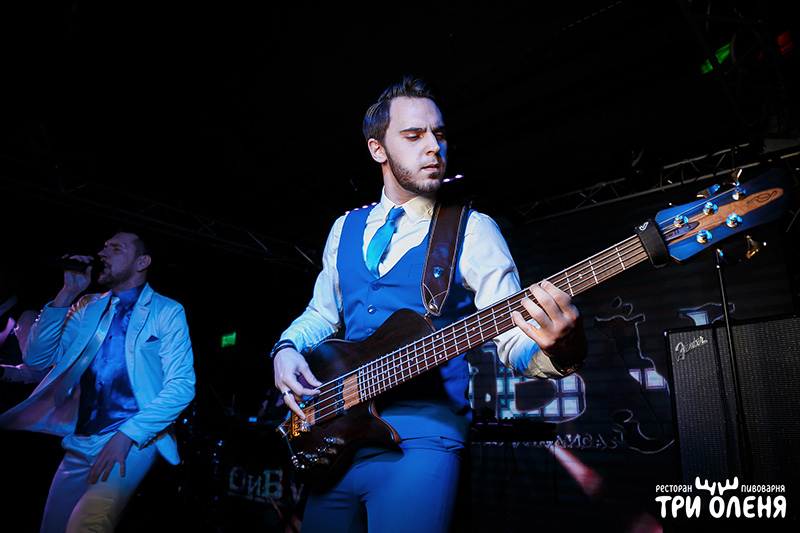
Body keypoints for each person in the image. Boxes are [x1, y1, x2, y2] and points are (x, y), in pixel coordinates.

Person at [271, 77, 588, 533]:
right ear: (378, 150)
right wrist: (285, 348)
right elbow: (322, 313)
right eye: (414, 135)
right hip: (336, 438)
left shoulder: (473, 229)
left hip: (421, 436)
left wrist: (559, 349)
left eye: (439, 134)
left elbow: (512, 337)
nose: (434, 147)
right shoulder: (344, 228)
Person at [0, 230, 196, 532]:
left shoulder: (166, 311)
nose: (103, 253)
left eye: (115, 248)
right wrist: (66, 294)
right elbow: (36, 359)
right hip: (81, 438)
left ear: (142, 262)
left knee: (88, 524)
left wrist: (127, 435)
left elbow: (181, 386)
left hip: (134, 438)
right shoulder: (86, 305)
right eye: (104, 247)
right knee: (53, 526)